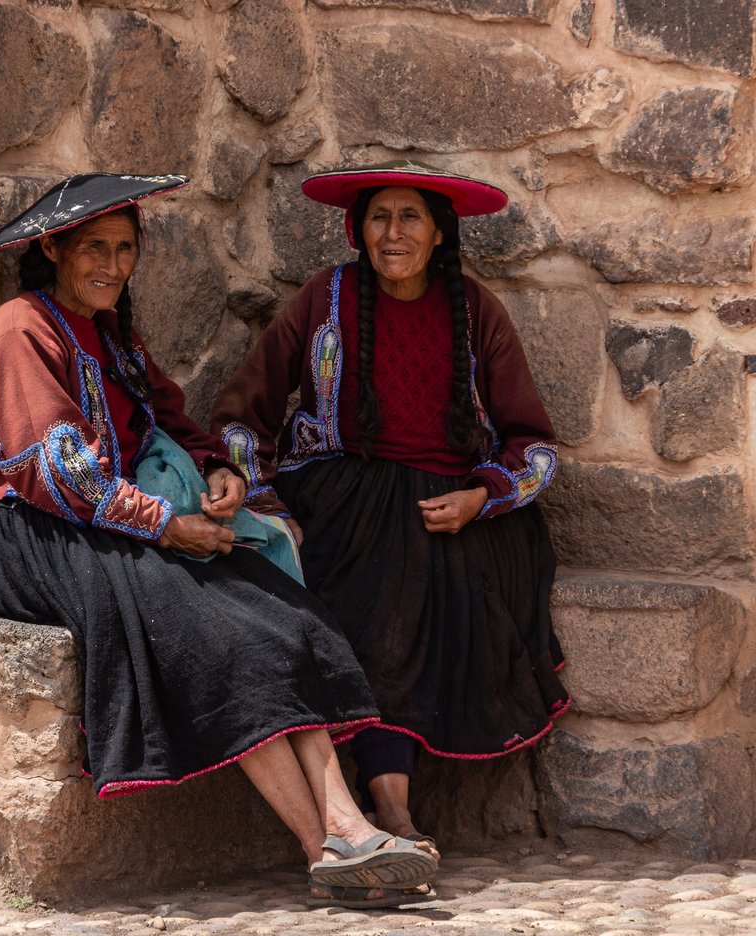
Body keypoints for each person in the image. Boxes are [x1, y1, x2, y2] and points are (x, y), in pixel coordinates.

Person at [0, 173, 437, 908]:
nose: (112, 265)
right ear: (53, 249)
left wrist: (219, 471)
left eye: (124, 249)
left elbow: (173, 422)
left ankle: (348, 830)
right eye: (95, 249)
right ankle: (324, 847)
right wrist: (166, 526)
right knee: (216, 631)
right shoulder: (23, 329)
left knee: (282, 616)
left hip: (106, 522)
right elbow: (59, 473)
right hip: (22, 535)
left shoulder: (114, 336)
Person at [210, 159, 570, 847]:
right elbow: (241, 415)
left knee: (417, 587)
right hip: (342, 500)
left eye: (411, 218)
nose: (393, 232)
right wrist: (264, 501)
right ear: (358, 229)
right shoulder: (325, 299)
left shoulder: (476, 312)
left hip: (454, 509)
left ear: (439, 233)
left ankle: (389, 806)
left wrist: (481, 497)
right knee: (375, 594)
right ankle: (389, 808)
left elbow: (535, 446)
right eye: (380, 217)